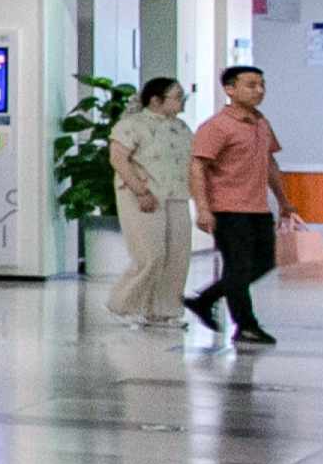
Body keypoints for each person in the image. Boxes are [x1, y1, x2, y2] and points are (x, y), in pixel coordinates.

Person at [187, 65, 286, 347]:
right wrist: (203, 208)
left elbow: (270, 163)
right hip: (228, 208)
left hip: (258, 208)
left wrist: (284, 200)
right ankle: (246, 326)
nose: (259, 91)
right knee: (238, 267)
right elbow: (197, 167)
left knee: (265, 262)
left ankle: (205, 300)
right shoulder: (216, 126)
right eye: (251, 85)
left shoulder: (261, 123)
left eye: (262, 85)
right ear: (230, 89)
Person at [105, 71, 196, 339]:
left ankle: (164, 311)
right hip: (143, 195)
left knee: (177, 255)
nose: (182, 101)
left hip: (177, 195)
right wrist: (140, 191)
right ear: (156, 100)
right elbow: (118, 159)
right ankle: (123, 305)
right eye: (177, 97)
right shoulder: (132, 125)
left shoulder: (181, 128)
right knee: (150, 255)